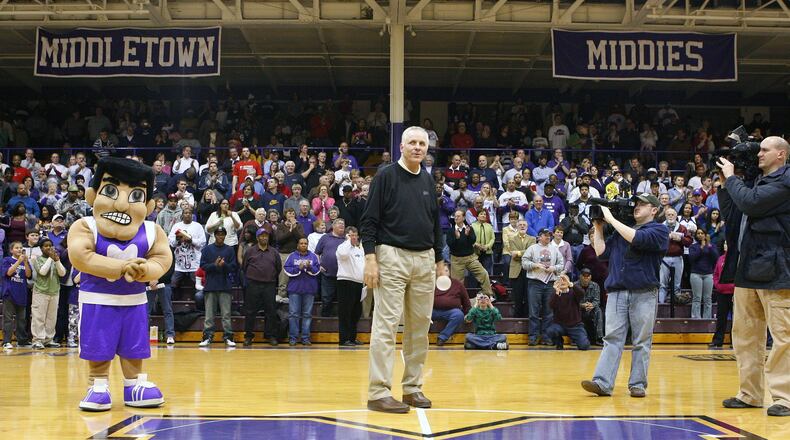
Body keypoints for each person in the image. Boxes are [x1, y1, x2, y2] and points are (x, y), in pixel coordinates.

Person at [68, 157, 172, 411]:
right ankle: (98, 384)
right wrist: (121, 267)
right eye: (111, 191)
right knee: (98, 344)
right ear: (93, 195)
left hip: (134, 302)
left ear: (147, 205)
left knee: (134, 345)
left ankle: (133, 383)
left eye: (135, 195)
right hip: (97, 301)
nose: (123, 204)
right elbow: (81, 256)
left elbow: (163, 258)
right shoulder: (85, 226)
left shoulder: (151, 230)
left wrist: (145, 270)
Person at [360, 126, 444, 414]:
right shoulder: (385, 176)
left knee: (420, 328)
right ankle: (378, 392)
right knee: (386, 326)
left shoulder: (427, 180)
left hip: (424, 259)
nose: (418, 147)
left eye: (422, 143)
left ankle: (412, 388)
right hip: (391, 256)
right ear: (402, 146)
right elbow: (368, 221)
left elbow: (435, 224)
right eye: (413, 143)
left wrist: (440, 261)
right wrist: (371, 259)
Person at [717, 136, 790, 416]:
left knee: (783, 336)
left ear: (781, 155)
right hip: (747, 267)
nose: (758, 154)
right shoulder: (754, 180)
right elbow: (733, 215)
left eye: (764, 149)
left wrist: (732, 178)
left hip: (777, 269)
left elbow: (752, 204)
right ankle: (750, 393)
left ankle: (783, 397)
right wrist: (727, 184)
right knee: (745, 335)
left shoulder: (786, 180)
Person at [581, 193, 669, 398]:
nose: (636, 206)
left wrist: (612, 219)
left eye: (642, 204)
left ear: (654, 210)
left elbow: (637, 239)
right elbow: (601, 252)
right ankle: (602, 383)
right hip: (618, 291)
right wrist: (599, 227)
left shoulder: (659, 230)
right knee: (611, 338)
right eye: (635, 203)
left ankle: (637, 384)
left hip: (644, 292)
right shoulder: (622, 230)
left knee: (641, 340)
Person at [522, 228, 565, 346]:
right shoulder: (532, 248)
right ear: (539, 236)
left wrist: (554, 268)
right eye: (545, 235)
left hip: (550, 283)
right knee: (533, 312)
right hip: (535, 282)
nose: (548, 237)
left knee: (549, 312)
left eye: (549, 235)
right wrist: (535, 265)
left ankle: (547, 337)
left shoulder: (555, 250)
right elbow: (524, 262)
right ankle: (533, 337)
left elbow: (561, 264)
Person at [198, 227, 238, 347]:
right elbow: (203, 266)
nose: (220, 236)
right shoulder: (207, 249)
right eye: (218, 234)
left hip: (225, 286)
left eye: (222, 234)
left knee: (226, 314)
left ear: (225, 236)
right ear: (214, 235)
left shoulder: (229, 250)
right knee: (209, 314)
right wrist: (214, 265)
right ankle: (207, 336)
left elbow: (233, 267)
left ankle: (228, 336)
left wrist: (224, 265)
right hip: (210, 286)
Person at [242, 224, 281, 346]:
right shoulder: (250, 251)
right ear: (257, 237)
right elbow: (244, 266)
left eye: (266, 236)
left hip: (269, 285)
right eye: (262, 236)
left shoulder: (274, 252)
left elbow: (278, 268)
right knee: (250, 311)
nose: (264, 238)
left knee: (271, 311)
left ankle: (271, 336)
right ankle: (248, 336)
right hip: (253, 284)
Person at [446, 209, 493, 297]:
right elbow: (450, 245)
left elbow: (473, 241)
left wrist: (467, 235)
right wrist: (456, 238)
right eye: (455, 216)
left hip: (470, 258)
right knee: (457, 282)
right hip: (457, 260)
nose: (456, 218)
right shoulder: (451, 231)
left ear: (463, 217)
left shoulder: (469, 228)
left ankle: (488, 295)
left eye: (458, 216)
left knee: (484, 274)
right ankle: (457, 299)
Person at [283, 237, 320, 346]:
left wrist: (309, 267)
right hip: (295, 289)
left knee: (307, 314)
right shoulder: (292, 256)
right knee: (293, 314)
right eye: (301, 243)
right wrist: (298, 268)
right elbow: (286, 270)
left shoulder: (313, 256)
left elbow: (317, 271)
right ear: (298, 245)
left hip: (309, 289)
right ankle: (293, 338)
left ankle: (305, 338)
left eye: (305, 243)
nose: (303, 245)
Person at [335, 226, 365, 346]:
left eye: (355, 235)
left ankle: (352, 337)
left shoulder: (359, 250)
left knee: (356, 313)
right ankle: (344, 339)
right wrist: (347, 241)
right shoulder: (342, 247)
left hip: (358, 284)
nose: (354, 237)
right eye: (351, 235)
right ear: (346, 236)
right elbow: (343, 254)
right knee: (345, 312)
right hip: (345, 282)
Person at [546, 274, 590, 350]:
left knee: (584, 346)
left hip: (575, 326)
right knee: (551, 331)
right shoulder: (555, 294)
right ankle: (559, 342)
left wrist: (570, 284)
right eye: (560, 280)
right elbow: (551, 305)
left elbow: (582, 294)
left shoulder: (574, 292)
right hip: (560, 325)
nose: (562, 282)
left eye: (564, 280)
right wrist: (556, 292)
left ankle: (576, 339)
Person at [432, 265, 471, 346]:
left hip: (451, 312)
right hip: (433, 311)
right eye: (441, 271)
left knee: (458, 314)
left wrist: (468, 313)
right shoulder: (431, 283)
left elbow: (466, 300)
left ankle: (442, 337)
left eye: (446, 270)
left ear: (449, 272)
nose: (443, 273)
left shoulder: (457, 284)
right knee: (420, 313)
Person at [2, 241, 32, 349]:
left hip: (21, 293)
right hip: (9, 293)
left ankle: (22, 341)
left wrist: (26, 262)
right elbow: (9, 273)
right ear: (11, 250)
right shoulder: (7, 260)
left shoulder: (24, 262)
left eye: (20, 248)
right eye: (16, 248)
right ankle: (6, 341)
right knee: (8, 319)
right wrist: (18, 262)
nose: (19, 249)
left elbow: (28, 275)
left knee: (22, 319)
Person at [507, 219, 535, 318]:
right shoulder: (512, 239)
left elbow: (531, 254)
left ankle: (527, 317)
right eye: (520, 225)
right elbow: (513, 254)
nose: (522, 226)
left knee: (528, 297)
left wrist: (518, 253)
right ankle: (517, 319)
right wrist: (524, 253)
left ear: (527, 227)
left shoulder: (532, 239)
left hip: (528, 270)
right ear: (517, 227)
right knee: (517, 297)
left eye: (524, 225)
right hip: (516, 270)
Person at [688, 229, 719, 319]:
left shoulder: (711, 246)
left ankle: (707, 318)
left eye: (702, 233)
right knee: (697, 297)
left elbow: (716, 257)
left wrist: (708, 245)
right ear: (696, 235)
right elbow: (692, 258)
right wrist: (701, 248)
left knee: (708, 298)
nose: (700, 235)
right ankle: (696, 318)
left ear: (705, 235)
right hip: (696, 274)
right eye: (698, 233)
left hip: (708, 274)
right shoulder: (693, 247)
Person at [710, 241, 734, 348]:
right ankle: (717, 341)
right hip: (721, 293)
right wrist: (717, 285)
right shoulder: (720, 259)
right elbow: (715, 274)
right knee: (721, 318)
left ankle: (735, 342)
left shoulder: (736, 259)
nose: (726, 245)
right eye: (724, 243)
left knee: (736, 320)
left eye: (727, 243)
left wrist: (735, 289)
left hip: (734, 294)